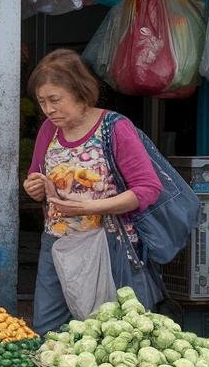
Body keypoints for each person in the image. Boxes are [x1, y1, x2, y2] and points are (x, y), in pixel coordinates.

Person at [23, 49, 166, 333]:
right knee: (48, 330)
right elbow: (36, 174)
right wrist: (33, 186)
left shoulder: (114, 128)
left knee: (110, 330)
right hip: (58, 243)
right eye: (42, 102)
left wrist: (91, 208)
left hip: (108, 242)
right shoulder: (48, 131)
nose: (49, 110)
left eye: (55, 100)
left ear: (79, 91)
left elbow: (148, 189)